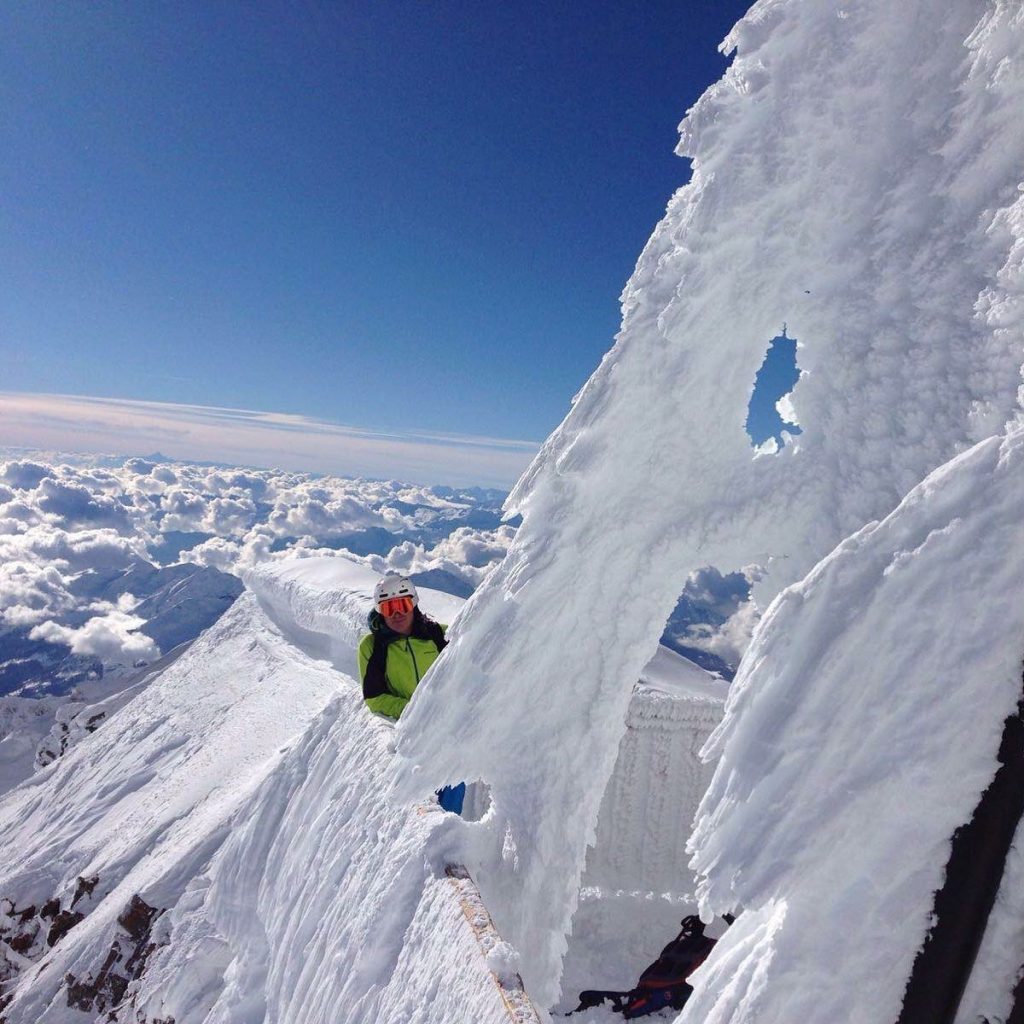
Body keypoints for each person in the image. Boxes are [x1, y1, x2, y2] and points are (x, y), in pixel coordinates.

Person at [358, 574, 464, 812]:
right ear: (380, 611)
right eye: (388, 607)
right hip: (408, 731)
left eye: (402, 605)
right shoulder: (372, 647)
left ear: (414, 603)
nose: (397, 613)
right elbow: (374, 698)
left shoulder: (440, 636)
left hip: (447, 727)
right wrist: (415, 710)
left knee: (453, 779)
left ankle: (447, 828)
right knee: (422, 793)